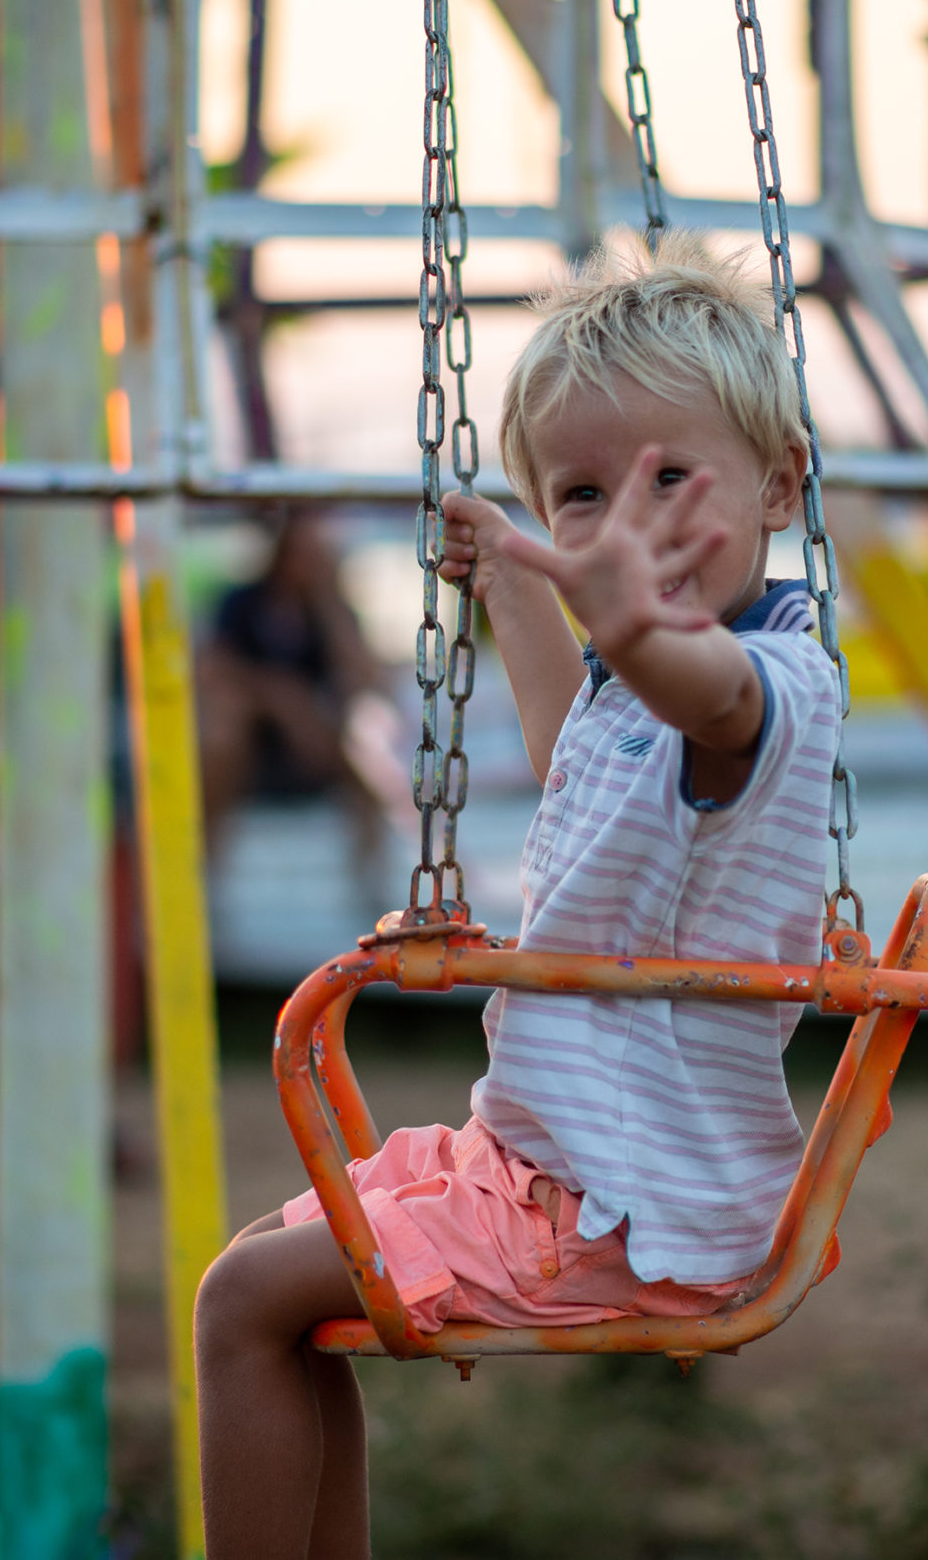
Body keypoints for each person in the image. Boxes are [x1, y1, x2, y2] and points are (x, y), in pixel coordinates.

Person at [193, 236, 838, 1559]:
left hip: (616, 1202)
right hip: (561, 1163)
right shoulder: (637, 692)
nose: (629, 528)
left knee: (239, 1299)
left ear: (778, 485)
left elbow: (704, 695)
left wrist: (634, 624)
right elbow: (575, 758)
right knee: (286, 1282)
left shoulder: (777, 685)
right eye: (584, 496)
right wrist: (514, 587)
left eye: (673, 480)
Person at [195, 511, 395, 887]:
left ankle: (371, 879)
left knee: (368, 746)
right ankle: (207, 870)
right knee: (222, 727)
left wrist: (329, 605)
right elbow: (212, 670)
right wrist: (281, 699)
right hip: (252, 745)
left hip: (314, 743)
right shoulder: (243, 604)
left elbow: (368, 679)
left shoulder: (329, 613)